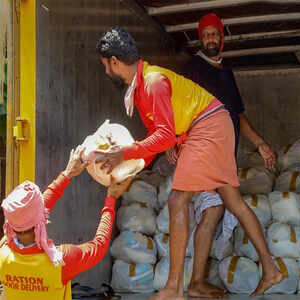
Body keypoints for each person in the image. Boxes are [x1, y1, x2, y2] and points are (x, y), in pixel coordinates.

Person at [95, 26, 283, 300]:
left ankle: (173, 289)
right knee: (233, 201)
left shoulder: (152, 82)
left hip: (208, 126)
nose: (106, 72)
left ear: (114, 61)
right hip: (211, 125)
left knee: (177, 200)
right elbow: (156, 139)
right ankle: (270, 269)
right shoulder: (140, 89)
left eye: (105, 66)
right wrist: (130, 172)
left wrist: (124, 153)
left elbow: (163, 136)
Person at [179, 12, 281, 297]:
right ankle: (196, 282)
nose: (211, 38)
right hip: (205, 151)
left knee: (221, 207)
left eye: (215, 33)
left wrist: (260, 143)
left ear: (222, 37)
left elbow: (237, 115)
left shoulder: (226, 72)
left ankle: (198, 282)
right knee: (217, 208)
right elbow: (181, 108)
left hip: (221, 155)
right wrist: (177, 143)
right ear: (201, 38)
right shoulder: (193, 69)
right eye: (206, 34)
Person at [0, 146, 133, 300]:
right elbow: (99, 246)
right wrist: (111, 199)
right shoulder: (62, 260)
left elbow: (31, 214)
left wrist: (67, 174)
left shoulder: (4, 253)